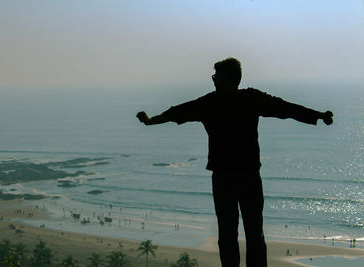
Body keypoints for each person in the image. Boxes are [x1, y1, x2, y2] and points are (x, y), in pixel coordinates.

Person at [136, 57, 333, 267]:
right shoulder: (250, 98)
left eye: (215, 76)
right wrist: (318, 115)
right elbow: (285, 108)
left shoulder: (210, 103)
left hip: (224, 178)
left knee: (228, 233)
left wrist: (150, 121)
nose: (213, 79)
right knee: (254, 232)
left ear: (224, 78)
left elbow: (176, 112)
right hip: (249, 176)